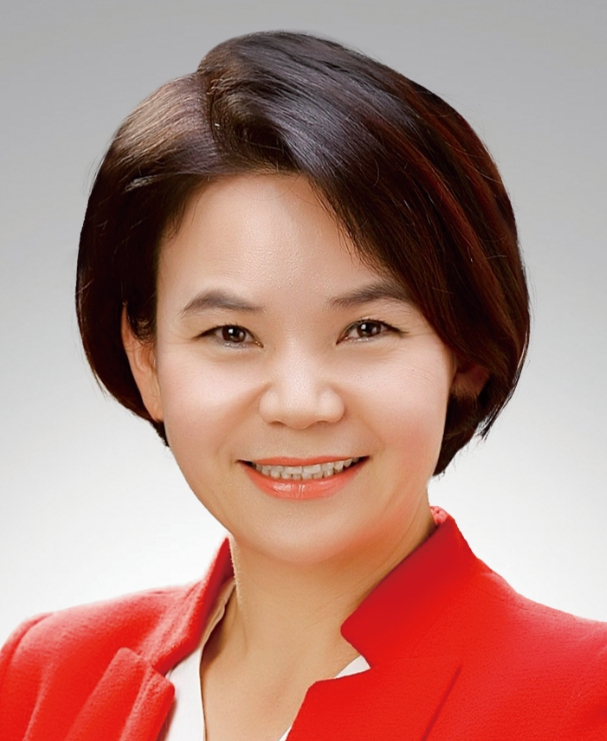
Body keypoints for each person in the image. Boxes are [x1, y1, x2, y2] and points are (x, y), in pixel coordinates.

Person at [0, 30, 605, 741]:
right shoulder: (42, 677)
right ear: (148, 361)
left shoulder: (582, 700)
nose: (299, 404)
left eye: (367, 328)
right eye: (231, 334)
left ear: (463, 352)